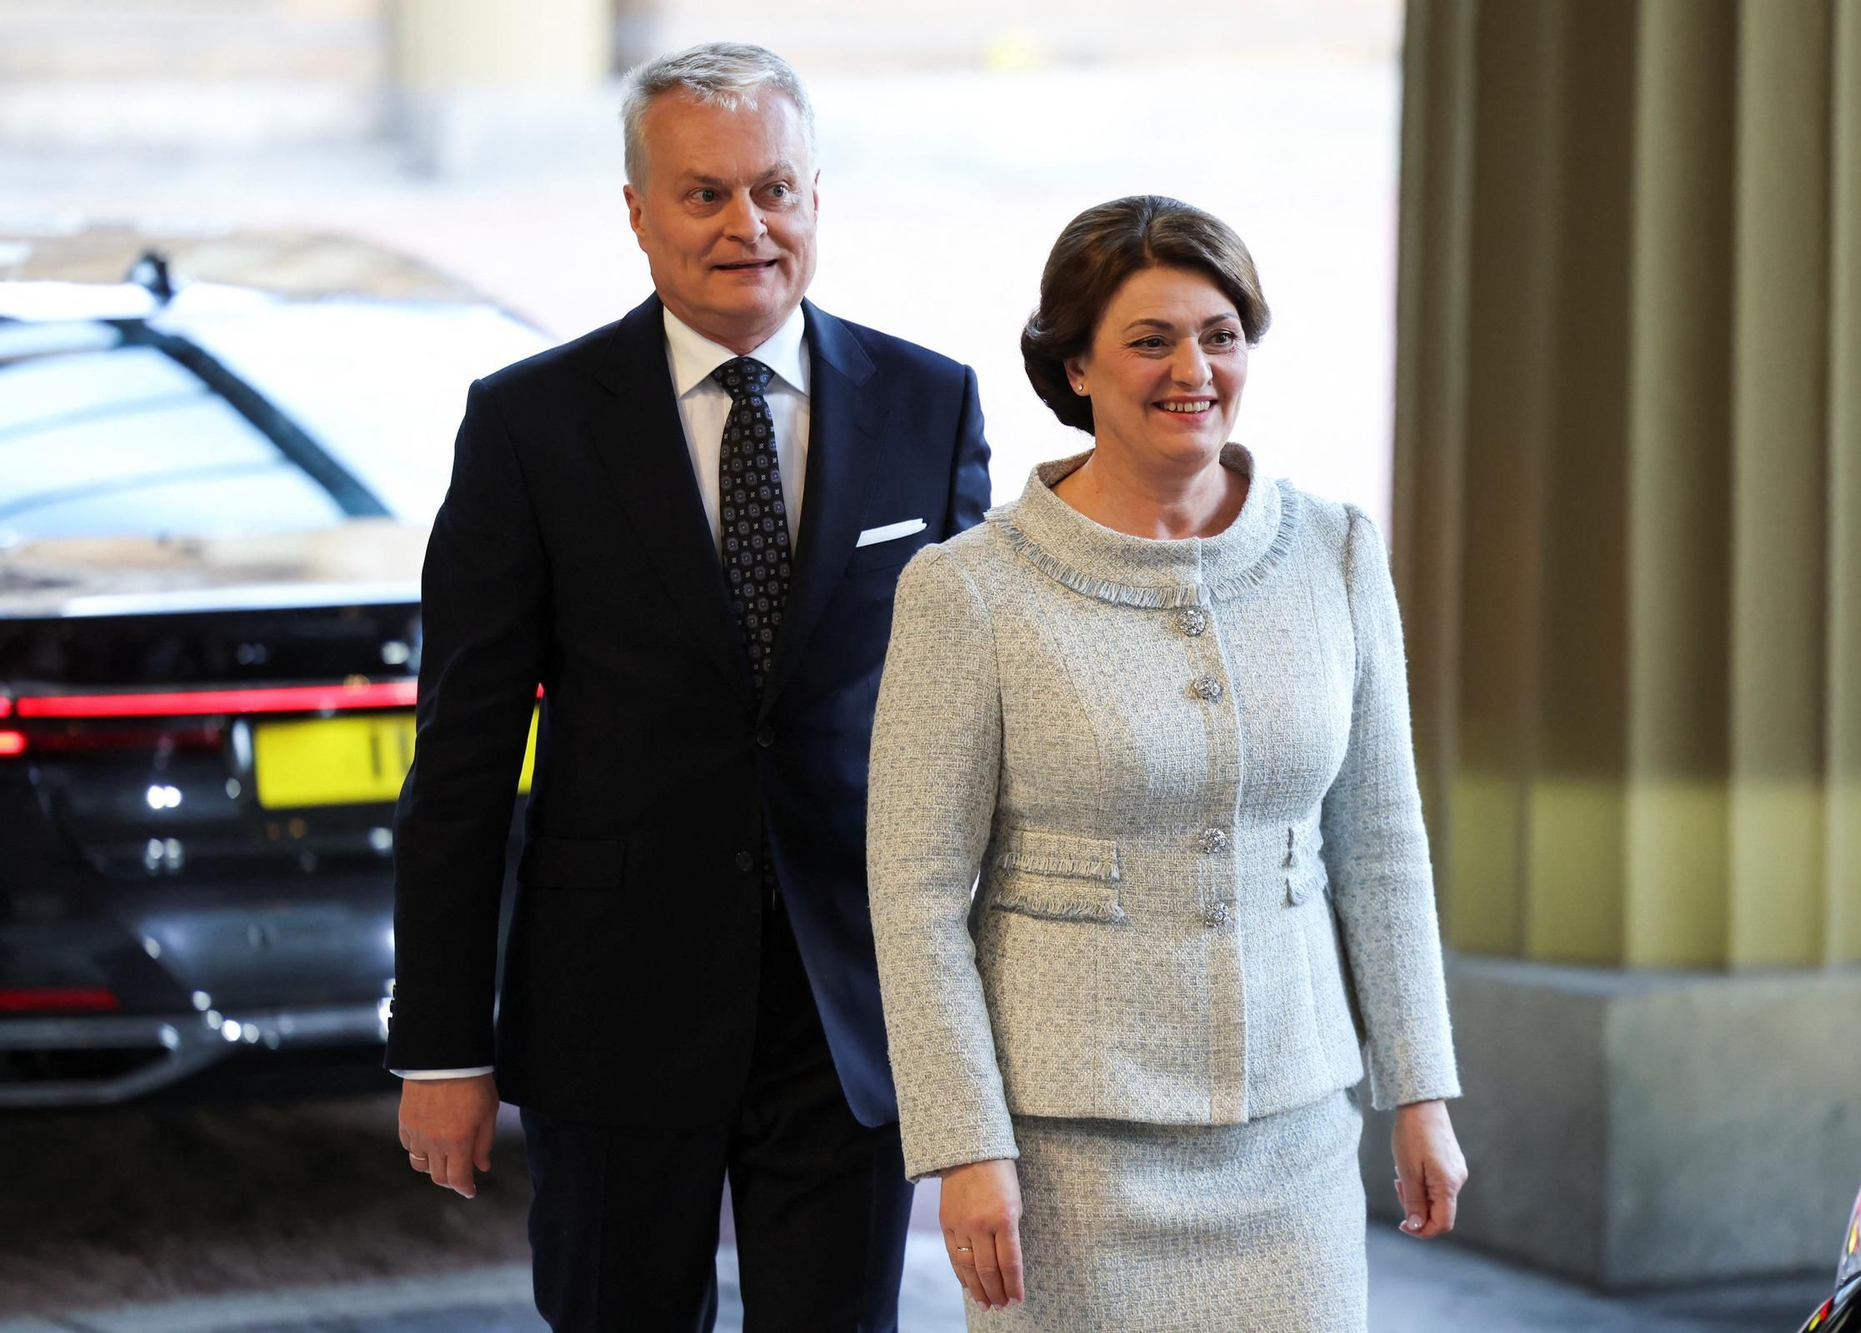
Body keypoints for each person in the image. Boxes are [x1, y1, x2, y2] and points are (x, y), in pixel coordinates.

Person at [387, 42, 991, 1331]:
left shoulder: (929, 409)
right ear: (637, 213)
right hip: (612, 1005)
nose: (746, 225)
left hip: (850, 1015)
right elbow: (463, 758)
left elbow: (972, 739)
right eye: (704, 194)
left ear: (817, 198)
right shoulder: (529, 425)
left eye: (773, 187)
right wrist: (444, 1042)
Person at [867, 194, 1466, 1331]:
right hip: (1063, 1159)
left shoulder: (1335, 550)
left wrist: (1419, 1091)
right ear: (1074, 366)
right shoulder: (968, 590)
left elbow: (1382, 842)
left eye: (1219, 335)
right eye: (1150, 340)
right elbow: (913, 896)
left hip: (1294, 1135)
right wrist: (961, 1144)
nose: (1191, 367)